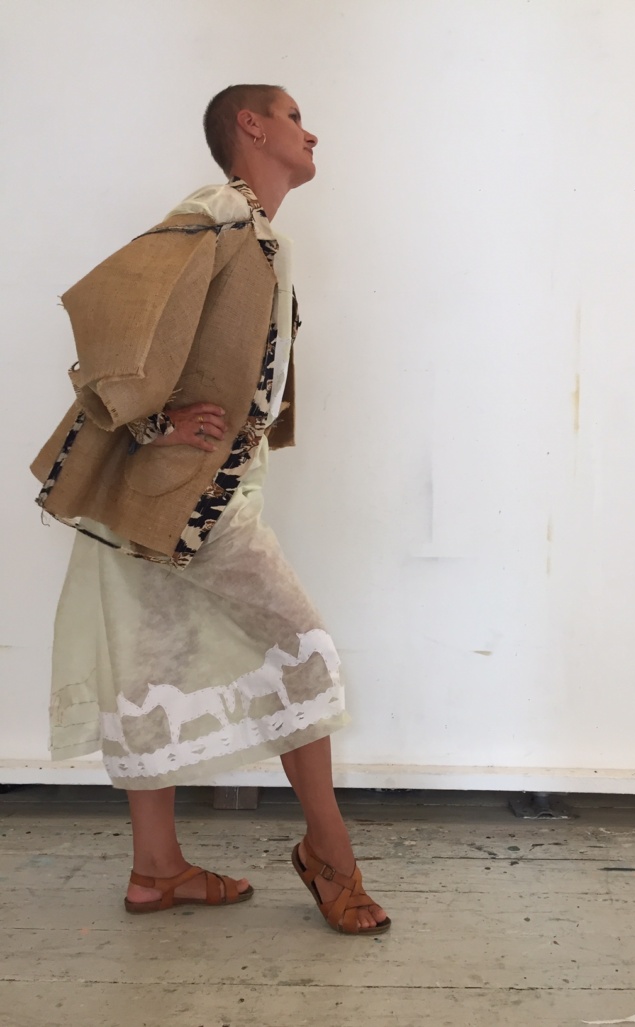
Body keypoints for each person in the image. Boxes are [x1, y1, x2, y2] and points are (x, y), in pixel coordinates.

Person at [31, 84, 389, 935]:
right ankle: (328, 853)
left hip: (170, 492)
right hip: (186, 492)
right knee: (304, 648)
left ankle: (155, 872)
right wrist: (154, 423)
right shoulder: (221, 212)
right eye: (294, 116)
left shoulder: (255, 233)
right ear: (250, 127)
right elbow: (114, 311)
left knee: (148, 667)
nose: (311, 131)